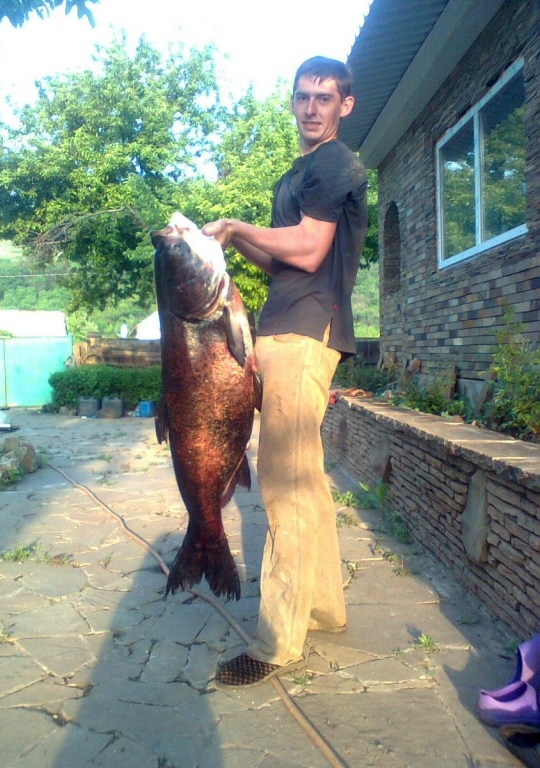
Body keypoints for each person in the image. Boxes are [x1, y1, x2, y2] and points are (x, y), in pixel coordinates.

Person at [203, 56, 368, 688]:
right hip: (284, 324)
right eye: (303, 96)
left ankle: (277, 644)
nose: (311, 107)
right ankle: (322, 610)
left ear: (344, 105)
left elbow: (310, 246)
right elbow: (282, 262)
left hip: (305, 331)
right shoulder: (296, 174)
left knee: (285, 484)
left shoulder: (334, 162)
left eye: (325, 98)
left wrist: (238, 225)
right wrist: (225, 242)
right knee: (306, 480)